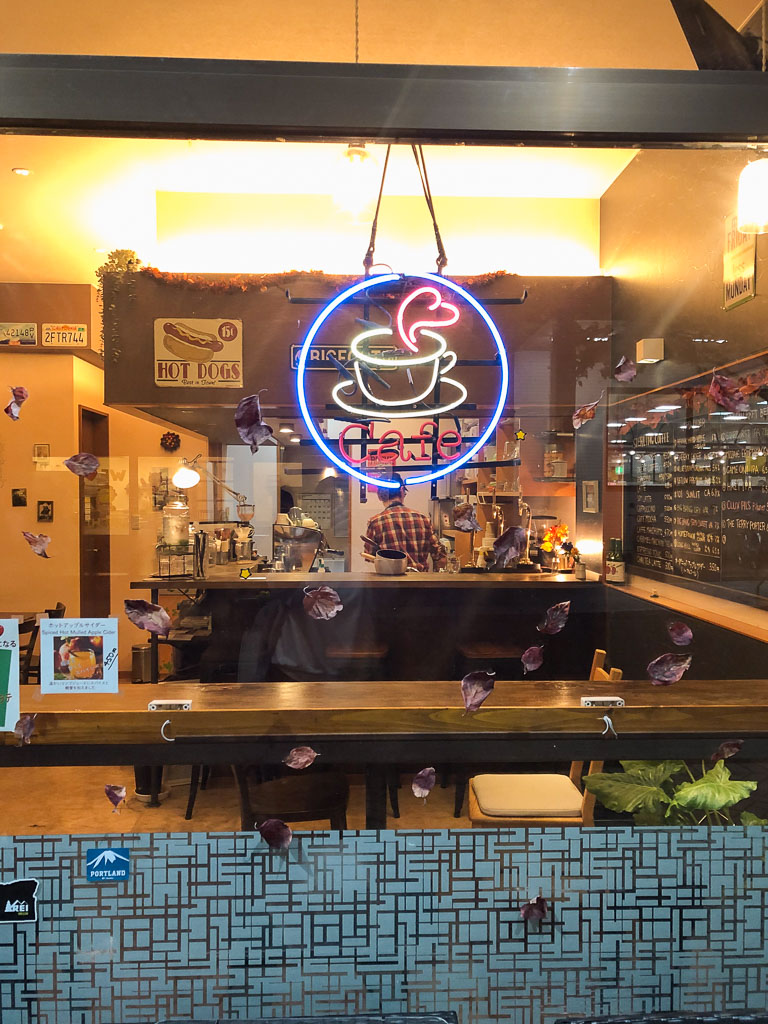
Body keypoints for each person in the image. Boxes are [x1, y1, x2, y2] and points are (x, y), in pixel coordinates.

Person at [364, 473, 446, 572]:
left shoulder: (375, 522)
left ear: (379, 496)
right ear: (402, 491)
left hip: (389, 580)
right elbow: (440, 556)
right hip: (420, 579)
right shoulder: (424, 519)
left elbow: (369, 555)